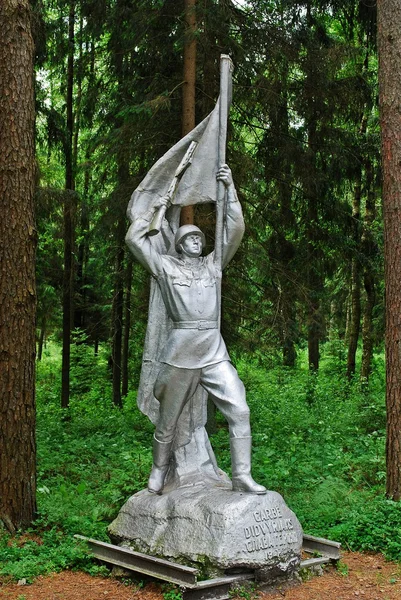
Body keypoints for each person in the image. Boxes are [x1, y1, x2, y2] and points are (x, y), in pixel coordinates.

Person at [126, 165, 266, 496]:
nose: (195, 241)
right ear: (178, 244)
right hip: (181, 349)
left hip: (213, 351)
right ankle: (159, 470)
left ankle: (242, 475)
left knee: (240, 409)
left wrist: (229, 188)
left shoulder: (214, 266)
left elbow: (236, 228)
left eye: (199, 238)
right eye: (188, 237)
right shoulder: (165, 267)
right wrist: (158, 207)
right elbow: (134, 239)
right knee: (168, 420)